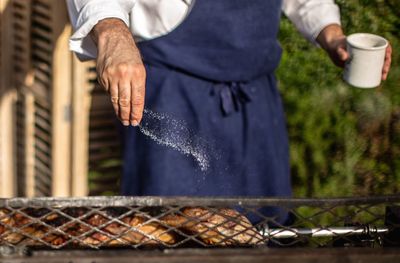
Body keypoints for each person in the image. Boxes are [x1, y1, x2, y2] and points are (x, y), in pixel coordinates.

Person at [66, 1, 392, 218]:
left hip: (256, 100)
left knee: (267, 230)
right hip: (175, 95)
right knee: (166, 230)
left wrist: (332, 34)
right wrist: (111, 29)